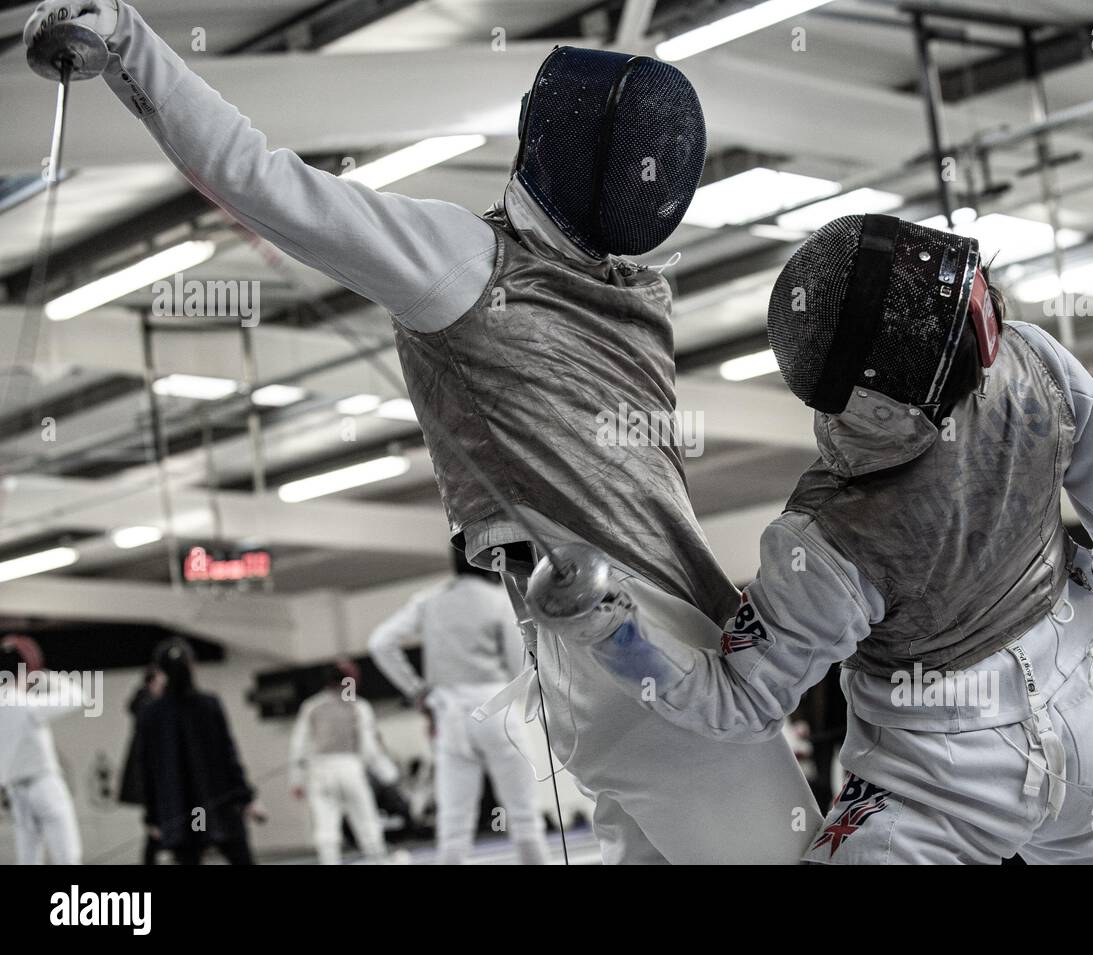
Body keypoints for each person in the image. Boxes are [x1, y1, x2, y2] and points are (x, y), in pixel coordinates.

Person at [23, 1, 821, 863]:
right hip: (641, 643)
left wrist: (127, 45)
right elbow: (257, 179)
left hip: (601, 652)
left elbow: (260, 176)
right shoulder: (490, 267)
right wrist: (127, 44)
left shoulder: (594, 283)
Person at [534, 214, 1093, 864]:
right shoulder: (1028, 365)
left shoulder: (824, 534)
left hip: (945, 777)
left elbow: (736, 702)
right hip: (1054, 746)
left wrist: (614, 636)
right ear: (900, 364)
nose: (982, 310)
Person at [369, 551, 546, 865]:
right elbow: (516, 662)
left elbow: (380, 642)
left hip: (448, 711)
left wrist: (416, 690)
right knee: (523, 813)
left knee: (453, 823)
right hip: (494, 705)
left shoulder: (429, 600)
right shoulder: (497, 599)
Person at [137, 638, 264, 865]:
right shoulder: (208, 704)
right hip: (218, 807)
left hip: (182, 811)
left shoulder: (151, 713)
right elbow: (229, 755)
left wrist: (152, 817)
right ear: (192, 665)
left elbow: (147, 771)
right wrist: (246, 797)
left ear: (160, 670)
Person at [289, 659, 398, 865]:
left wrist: (296, 780)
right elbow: (369, 749)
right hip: (349, 768)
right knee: (366, 821)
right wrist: (389, 775)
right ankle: (378, 860)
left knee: (325, 826)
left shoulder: (311, 706)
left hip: (318, 771)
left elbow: (299, 747)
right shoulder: (358, 706)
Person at [0, 635, 83, 864]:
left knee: (28, 859)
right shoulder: (24, 705)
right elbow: (78, 697)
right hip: (44, 786)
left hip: (16, 792)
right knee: (67, 856)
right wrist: (44, 674)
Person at [118, 663, 166, 864]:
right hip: (153, 776)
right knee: (156, 826)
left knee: (159, 826)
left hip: (155, 776)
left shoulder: (148, 704)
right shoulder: (148, 706)